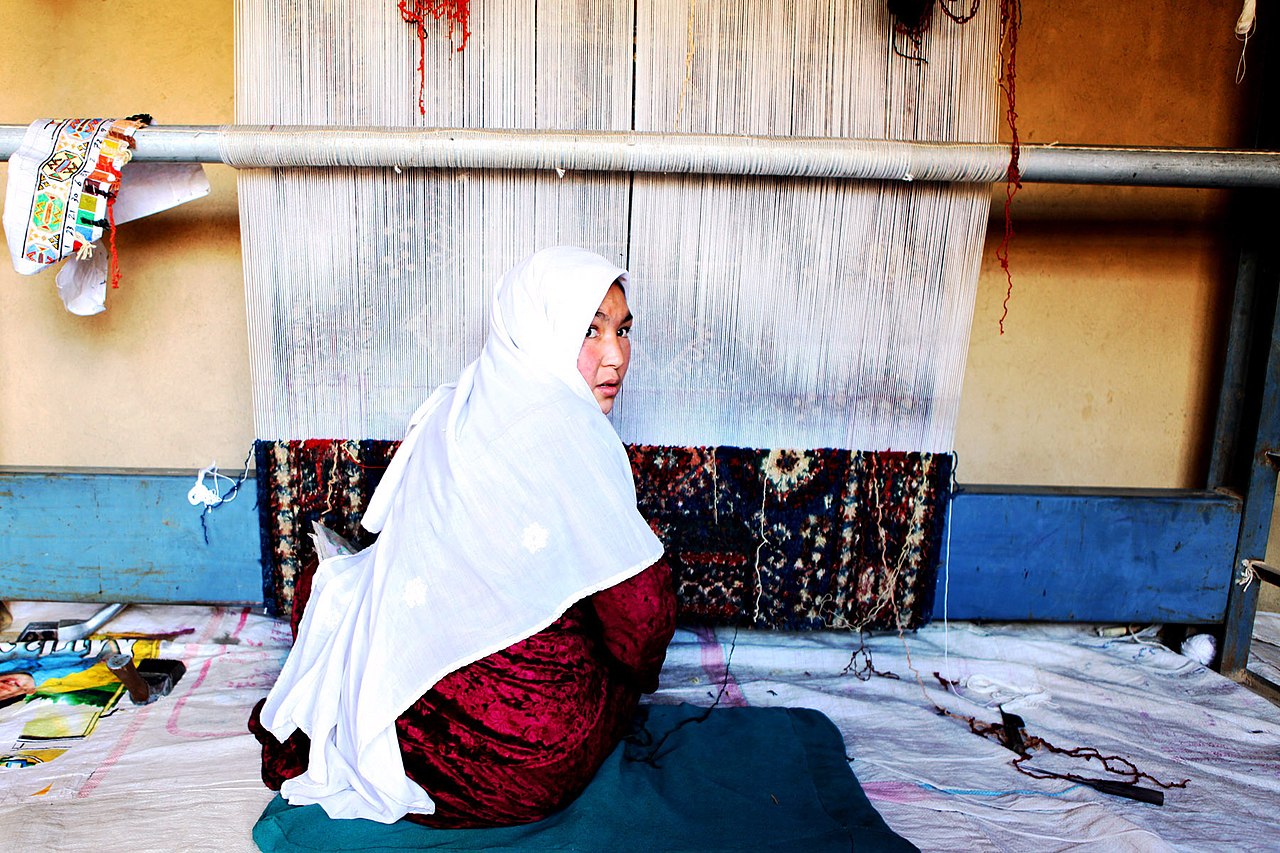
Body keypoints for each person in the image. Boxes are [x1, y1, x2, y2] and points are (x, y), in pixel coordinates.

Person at [249, 247, 676, 827]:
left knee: (334, 596)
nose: (615, 357)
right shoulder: (571, 431)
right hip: (538, 759)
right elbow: (644, 616)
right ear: (538, 329)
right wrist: (630, 679)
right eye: (589, 331)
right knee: (607, 651)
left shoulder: (455, 412)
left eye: (623, 332)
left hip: (422, 739)